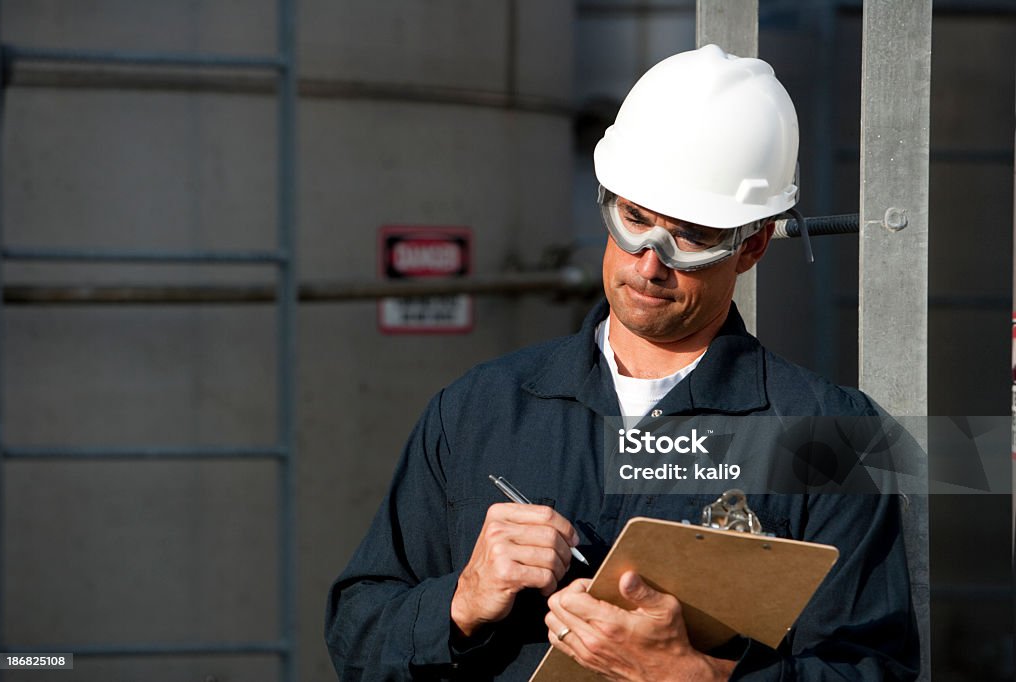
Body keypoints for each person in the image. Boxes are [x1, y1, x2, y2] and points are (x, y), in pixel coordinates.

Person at [325, 44, 919, 681]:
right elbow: (356, 639)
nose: (648, 263)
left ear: (752, 246)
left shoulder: (827, 435)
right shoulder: (480, 410)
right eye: (633, 220)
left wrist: (693, 675)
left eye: (690, 236)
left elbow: (869, 670)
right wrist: (462, 602)